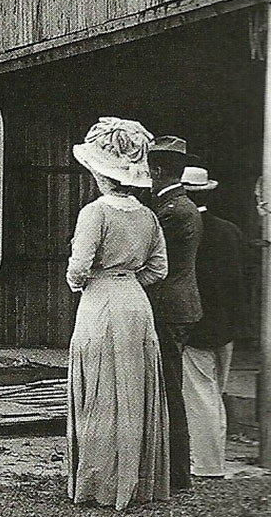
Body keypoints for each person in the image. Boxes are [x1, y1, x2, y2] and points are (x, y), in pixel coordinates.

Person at [65, 117, 170, 509]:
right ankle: (134, 482)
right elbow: (159, 269)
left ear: (100, 173)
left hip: (101, 302)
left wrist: (89, 283)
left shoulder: (95, 212)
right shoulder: (148, 215)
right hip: (136, 306)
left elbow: (79, 267)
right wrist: (128, 282)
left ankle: (101, 483)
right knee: (132, 386)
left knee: (101, 388)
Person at [147, 135, 204, 491]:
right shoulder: (184, 207)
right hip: (180, 305)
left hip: (168, 307)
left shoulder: (171, 212)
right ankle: (176, 470)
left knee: (169, 389)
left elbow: (153, 260)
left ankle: (177, 473)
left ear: (157, 170)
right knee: (170, 387)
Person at [180, 165, 244, 478]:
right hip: (226, 324)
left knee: (200, 394)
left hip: (197, 324)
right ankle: (212, 458)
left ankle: (207, 463)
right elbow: (239, 282)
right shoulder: (230, 230)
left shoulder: (186, 230)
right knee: (215, 391)